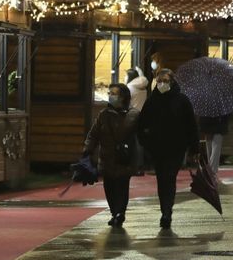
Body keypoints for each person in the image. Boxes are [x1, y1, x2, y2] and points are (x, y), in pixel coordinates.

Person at [139, 69, 200, 230]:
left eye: (165, 81)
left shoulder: (181, 100)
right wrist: (146, 143)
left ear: (171, 82)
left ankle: (167, 211)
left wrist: (194, 147)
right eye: (159, 81)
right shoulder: (152, 101)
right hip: (157, 148)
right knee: (162, 179)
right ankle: (165, 209)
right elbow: (142, 123)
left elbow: (191, 125)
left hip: (176, 147)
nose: (162, 84)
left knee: (169, 176)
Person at [82, 82, 141, 229]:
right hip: (107, 158)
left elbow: (141, 136)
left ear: (123, 97)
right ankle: (115, 212)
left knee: (122, 186)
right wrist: (87, 150)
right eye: (110, 93)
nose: (110, 96)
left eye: (114, 93)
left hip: (124, 158)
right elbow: (93, 135)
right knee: (109, 188)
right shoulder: (104, 115)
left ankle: (120, 212)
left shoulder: (134, 115)